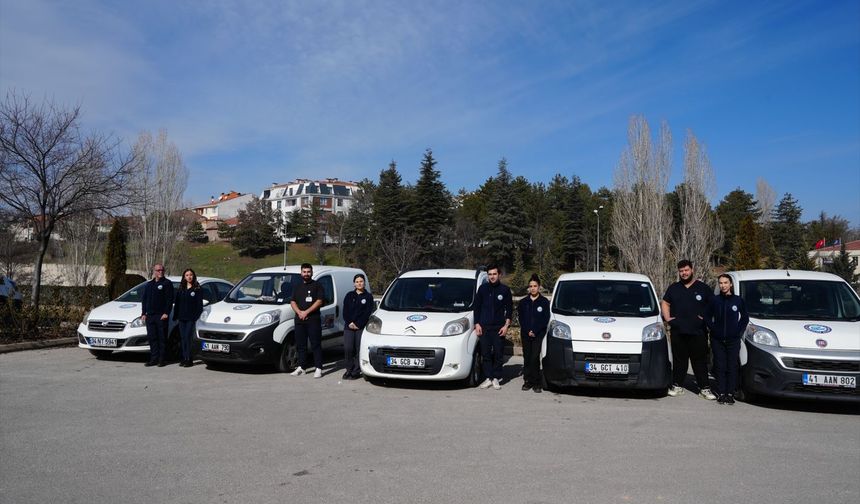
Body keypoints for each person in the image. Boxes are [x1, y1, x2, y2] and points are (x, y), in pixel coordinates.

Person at [661, 259, 716, 399]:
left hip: (698, 332)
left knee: (700, 361)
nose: (684, 273)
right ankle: (677, 385)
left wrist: (705, 318)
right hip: (678, 331)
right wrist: (668, 318)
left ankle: (704, 388)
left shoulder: (703, 288)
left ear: (692, 270)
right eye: (681, 271)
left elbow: (713, 305)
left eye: (686, 270)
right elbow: (665, 303)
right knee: (679, 360)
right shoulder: (674, 288)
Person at [705, 274, 749, 404]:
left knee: (732, 366)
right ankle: (721, 392)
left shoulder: (738, 300)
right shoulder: (715, 300)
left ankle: (730, 393)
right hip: (717, 339)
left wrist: (738, 331)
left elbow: (745, 318)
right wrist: (713, 328)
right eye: (721, 283)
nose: (723, 285)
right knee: (720, 366)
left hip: (733, 340)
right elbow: (706, 316)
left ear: (730, 284)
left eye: (725, 283)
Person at [473, 265, 513, 390]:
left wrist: (506, 326)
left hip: (499, 328)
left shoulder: (505, 290)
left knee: (498, 354)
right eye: (490, 274)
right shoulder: (482, 289)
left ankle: (496, 378)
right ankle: (488, 378)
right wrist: (477, 324)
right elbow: (477, 307)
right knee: (485, 354)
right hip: (484, 327)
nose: (492, 276)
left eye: (494, 274)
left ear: (499, 274)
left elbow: (509, 309)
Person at [290, 263, 326, 378]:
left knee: (316, 344)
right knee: (301, 345)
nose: (306, 274)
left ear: (312, 272)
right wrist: (299, 312)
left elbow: (319, 301)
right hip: (299, 320)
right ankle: (302, 367)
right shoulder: (297, 286)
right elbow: (292, 301)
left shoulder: (317, 285)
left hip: (313, 320)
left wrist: (306, 312)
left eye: (308, 272)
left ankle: (318, 368)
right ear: (301, 273)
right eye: (304, 272)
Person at [517, 273, 550, 393]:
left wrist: (535, 331)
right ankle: (528, 380)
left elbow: (545, 319)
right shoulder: (523, 302)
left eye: (535, 286)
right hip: (525, 333)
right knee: (527, 357)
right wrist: (527, 330)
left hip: (538, 334)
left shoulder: (544, 302)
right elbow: (521, 318)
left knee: (535, 357)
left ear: (539, 287)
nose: (532, 288)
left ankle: (537, 382)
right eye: (530, 286)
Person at [141, 263, 174, 367]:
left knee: (162, 338)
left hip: (161, 316)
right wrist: (143, 313)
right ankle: (154, 358)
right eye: (158, 270)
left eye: (162, 270)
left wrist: (166, 313)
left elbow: (170, 300)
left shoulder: (167, 283)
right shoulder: (149, 284)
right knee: (152, 338)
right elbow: (144, 300)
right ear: (154, 271)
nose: (161, 272)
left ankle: (162, 359)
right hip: (150, 316)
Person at [342, 274, 374, 380]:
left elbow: (367, 313)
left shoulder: (368, 297)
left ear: (364, 282)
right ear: (354, 284)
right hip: (348, 327)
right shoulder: (349, 295)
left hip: (360, 327)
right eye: (357, 281)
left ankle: (356, 371)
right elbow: (345, 311)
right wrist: (350, 322)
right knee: (348, 348)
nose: (359, 283)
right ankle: (348, 370)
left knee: (358, 349)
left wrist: (358, 324)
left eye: (361, 281)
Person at [173, 268, 204, 368]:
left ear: (193, 276)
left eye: (191, 275)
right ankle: (184, 358)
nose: (189, 277)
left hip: (191, 318)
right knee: (182, 338)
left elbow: (199, 306)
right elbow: (177, 303)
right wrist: (175, 315)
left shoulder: (197, 289)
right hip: (182, 317)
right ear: (184, 277)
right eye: (187, 275)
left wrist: (195, 317)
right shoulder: (181, 288)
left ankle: (189, 359)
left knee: (188, 338)